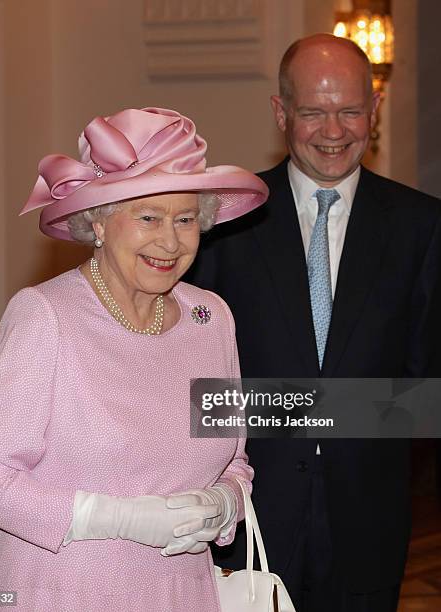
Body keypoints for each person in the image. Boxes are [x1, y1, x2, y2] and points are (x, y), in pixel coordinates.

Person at [0, 106, 269, 611]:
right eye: (148, 217)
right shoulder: (46, 317)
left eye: (186, 219)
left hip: (179, 594)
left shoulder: (212, 319)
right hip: (59, 592)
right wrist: (115, 518)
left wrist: (223, 502)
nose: (170, 241)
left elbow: (233, 458)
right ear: (98, 224)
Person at [187, 34, 441, 612]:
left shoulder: (421, 227)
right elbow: (199, 389)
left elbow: (426, 395)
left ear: (374, 111)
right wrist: (340, 405)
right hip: (244, 519)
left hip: (368, 525)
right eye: (314, 112)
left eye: (351, 111)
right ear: (281, 113)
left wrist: (280, 404)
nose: (334, 131)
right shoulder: (223, 220)